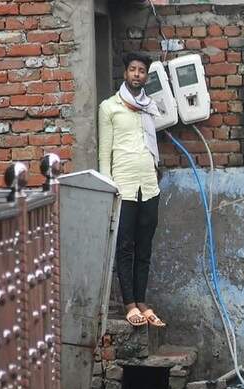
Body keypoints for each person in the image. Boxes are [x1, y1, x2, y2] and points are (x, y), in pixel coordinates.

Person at [99, 52, 166, 327]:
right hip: (123, 188)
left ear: (146, 77)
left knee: (145, 247)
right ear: (125, 73)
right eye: (133, 70)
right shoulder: (109, 107)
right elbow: (105, 153)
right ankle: (129, 304)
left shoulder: (149, 107)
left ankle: (142, 301)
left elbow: (153, 145)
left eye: (141, 71)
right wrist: (108, 188)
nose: (137, 74)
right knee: (125, 247)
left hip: (149, 186)